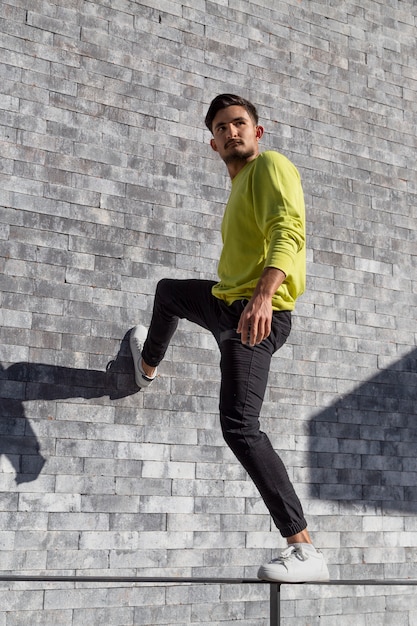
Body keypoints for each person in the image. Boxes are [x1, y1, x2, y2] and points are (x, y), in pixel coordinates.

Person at [129, 94, 329, 583]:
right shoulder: (238, 187)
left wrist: (265, 295)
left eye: (240, 123)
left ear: (257, 133)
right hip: (226, 302)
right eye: (222, 127)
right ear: (213, 143)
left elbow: (289, 229)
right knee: (169, 294)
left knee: (240, 426)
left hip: (256, 317)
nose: (231, 132)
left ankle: (303, 549)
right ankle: (145, 367)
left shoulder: (271, 168)